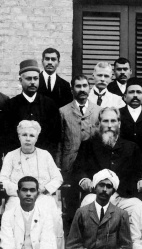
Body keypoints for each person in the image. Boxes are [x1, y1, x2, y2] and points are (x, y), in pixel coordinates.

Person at [60, 170, 135, 249]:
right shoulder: (82, 212)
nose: (104, 189)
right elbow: (72, 244)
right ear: (95, 187)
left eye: (109, 186)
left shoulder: (121, 214)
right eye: (101, 185)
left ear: (113, 191)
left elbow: (126, 246)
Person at [0, 120, 63, 249]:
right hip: (18, 197)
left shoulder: (45, 155)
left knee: (53, 216)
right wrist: (19, 191)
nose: (28, 139)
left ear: (37, 137)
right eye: (24, 135)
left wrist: (44, 189)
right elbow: (3, 180)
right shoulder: (11, 156)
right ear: (19, 136)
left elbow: (58, 178)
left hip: (42, 196)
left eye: (32, 135)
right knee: (12, 215)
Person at [75, 107, 142, 214]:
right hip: (96, 196)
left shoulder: (131, 147)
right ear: (99, 124)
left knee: (139, 208)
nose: (109, 125)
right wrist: (84, 180)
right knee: (87, 206)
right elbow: (78, 169)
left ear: (119, 123)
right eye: (105, 121)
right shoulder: (88, 145)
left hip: (124, 198)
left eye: (113, 121)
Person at [57, 74, 101, 237]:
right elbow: (60, 142)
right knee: (71, 204)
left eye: (85, 86)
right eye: (78, 86)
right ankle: (71, 239)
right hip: (70, 165)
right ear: (72, 89)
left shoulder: (98, 111)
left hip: (91, 166)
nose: (82, 90)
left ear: (89, 88)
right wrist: (59, 167)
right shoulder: (63, 111)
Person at [1, 59, 61, 156]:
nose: (33, 82)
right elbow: (7, 138)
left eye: (35, 78)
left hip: (43, 159)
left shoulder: (49, 105)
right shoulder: (10, 105)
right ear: (20, 80)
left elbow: (55, 137)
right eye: (29, 79)